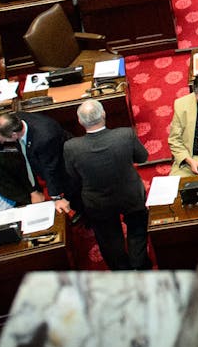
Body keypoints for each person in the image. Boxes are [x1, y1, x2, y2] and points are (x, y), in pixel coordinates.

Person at [64, 100, 150, 270]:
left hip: (97, 202)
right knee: (137, 230)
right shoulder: (125, 135)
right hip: (130, 195)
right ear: (104, 114)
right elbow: (143, 157)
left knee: (109, 239)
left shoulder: (71, 147)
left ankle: (121, 271)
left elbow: (72, 177)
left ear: (80, 122)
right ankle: (140, 266)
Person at [0, 111, 73, 214]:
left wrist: (56, 197)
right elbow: (1, 136)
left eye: (3, 140)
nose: (1, 142)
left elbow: (51, 168)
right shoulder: (14, 120)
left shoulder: (45, 138)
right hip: (41, 157)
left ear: (14, 135)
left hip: (63, 165)